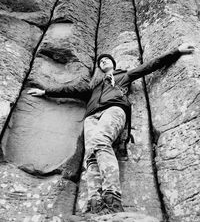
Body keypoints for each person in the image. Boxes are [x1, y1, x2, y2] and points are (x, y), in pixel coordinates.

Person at [28, 44, 194, 215]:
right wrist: (45, 91)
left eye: (106, 59)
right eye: (100, 61)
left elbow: (150, 65)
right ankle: (95, 202)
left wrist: (177, 51)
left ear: (113, 63)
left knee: (100, 142)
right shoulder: (94, 87)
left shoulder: (124, 75)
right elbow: (70, 90)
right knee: (90, 155)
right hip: (91, 118)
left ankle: (112, 197)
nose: (103, 61)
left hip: (114, 110)